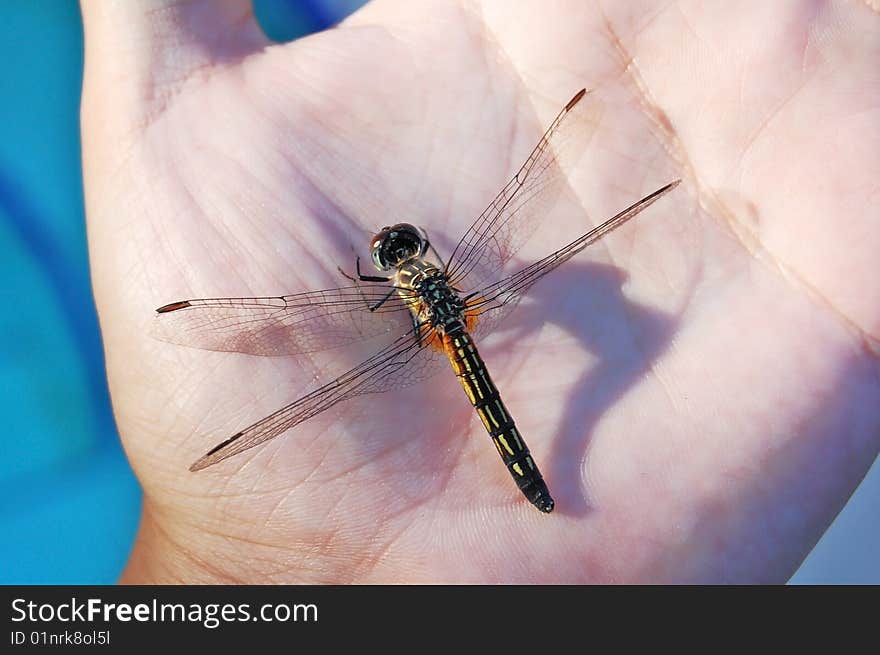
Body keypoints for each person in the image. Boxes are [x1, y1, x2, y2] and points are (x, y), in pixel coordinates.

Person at [80, 0, 879, 583]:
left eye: (399, 255)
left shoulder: (397, 297)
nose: (401, 254)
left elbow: (369, 302)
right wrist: (224, 569)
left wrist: (220, 572)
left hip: (447, 340)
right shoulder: (449, 287)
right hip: (457, 329)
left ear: (400, 273)